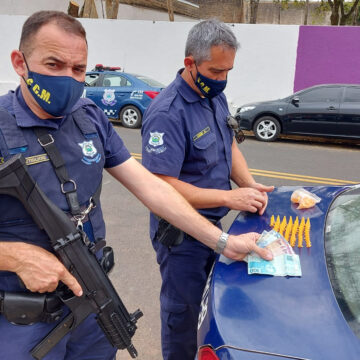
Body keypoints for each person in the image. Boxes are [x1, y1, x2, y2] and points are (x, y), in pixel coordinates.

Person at [0, 11, 272, 360]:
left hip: (91, 302)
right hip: (23, 319)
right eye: (54, 64)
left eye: (79, 69)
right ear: (20, 63)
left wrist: (224, 242)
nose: (68, 78)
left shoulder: (89, 118)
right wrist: (13, 256)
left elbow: (152, 188)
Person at [141, 19, 274, 360]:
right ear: (190, 63)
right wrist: (230, 198)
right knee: (183, 319)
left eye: (228, 71)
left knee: (209, 310)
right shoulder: (167, 114)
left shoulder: (214, 96)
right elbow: (162, 186)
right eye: (215, 71)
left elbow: (229, 147)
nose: (222, 79)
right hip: (182, 237)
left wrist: (249, 186)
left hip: (213, 227)